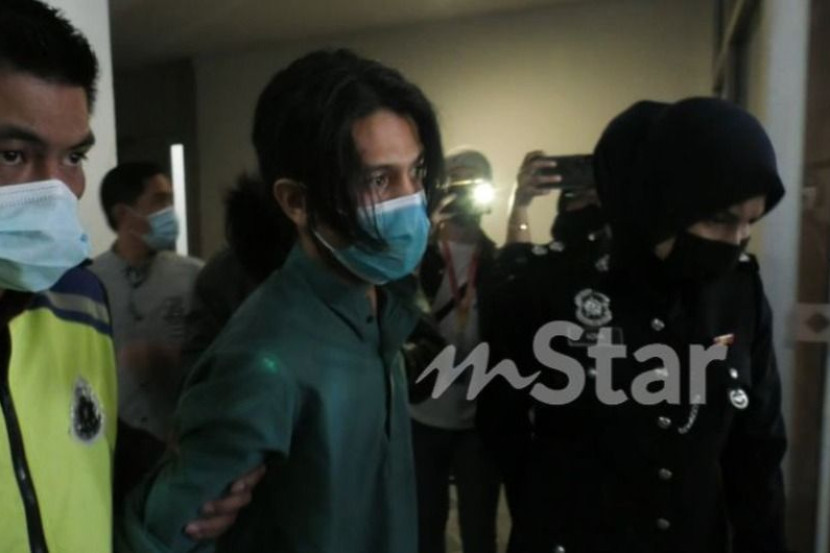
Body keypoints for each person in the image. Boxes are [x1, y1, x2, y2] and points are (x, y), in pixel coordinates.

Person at [120, 48, 444, 553]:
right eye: (378, 180)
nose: (411, 200)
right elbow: (158, 537)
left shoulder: (383, 306)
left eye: (416, 172)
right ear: (296, 201)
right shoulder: (262, 358)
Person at [0, 2, 261, 549]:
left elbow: (87, 442)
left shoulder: (78, 298)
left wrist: (180, 475)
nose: (56, 190)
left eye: (73, 157)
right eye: (13, 154)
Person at [497, 98, 787, 553]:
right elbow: (504, 427)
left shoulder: (738, 294)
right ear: (660, 203)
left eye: (750, 222)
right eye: (718, 219)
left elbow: (759, 448)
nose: (735, 242)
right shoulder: (552, 286)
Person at [90, 161, 204, 502]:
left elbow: (217, 358)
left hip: (179, 447)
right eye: (159, 201)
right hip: (109, 451)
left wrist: (168, 360)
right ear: (123, 214)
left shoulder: (195, 277)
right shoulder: (88, 283)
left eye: (170, 200)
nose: (170, 211)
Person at [409, 149, 501, 553]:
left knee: (479, 529)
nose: (464, 192)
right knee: (425, 527)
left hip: (479, 418)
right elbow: (394, 310)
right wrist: (423, 229)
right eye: (457, 181)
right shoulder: (419, 254)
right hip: (422, 413)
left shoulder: (497, 259)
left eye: (474, 182)